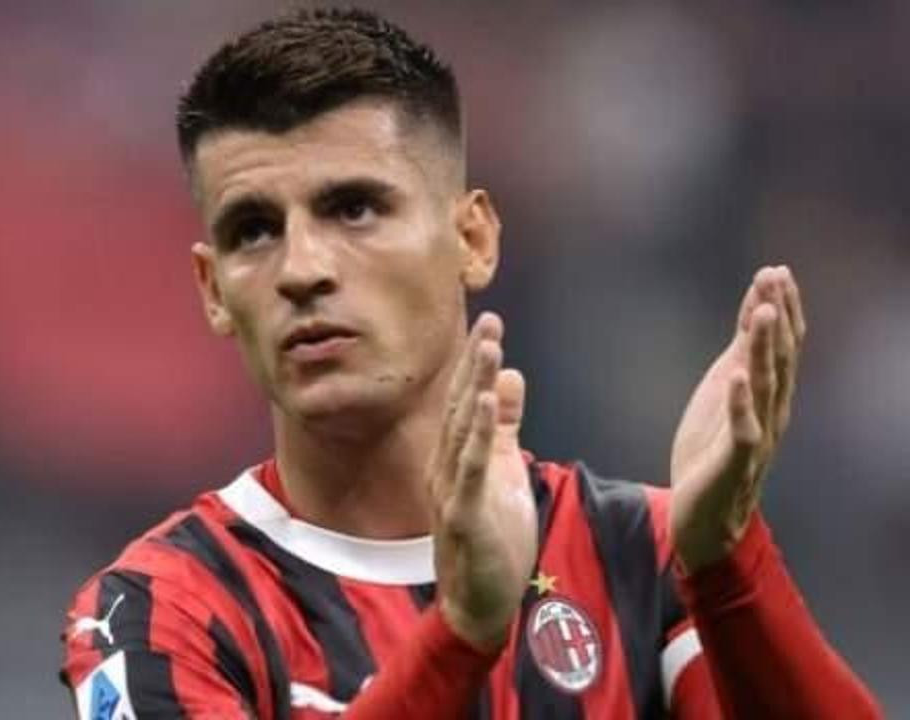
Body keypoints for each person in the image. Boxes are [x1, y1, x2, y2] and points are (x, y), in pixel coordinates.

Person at [60, 8, 880, 718]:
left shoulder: (640, 555)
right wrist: (461, 636)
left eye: (355, 208)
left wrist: (728, 567)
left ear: (473, 239)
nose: (302, 269)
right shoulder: (161, 609)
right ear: (213, 290)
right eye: (254, 230)